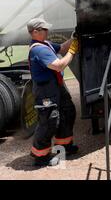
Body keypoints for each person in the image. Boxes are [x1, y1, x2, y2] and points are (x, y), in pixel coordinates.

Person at [27, 18, 79, 166]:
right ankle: (41, 156)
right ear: (35, 32)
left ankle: (63, 147)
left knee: (67, 111)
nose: (47, 31)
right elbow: (59, 65)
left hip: (56, 86)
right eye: (44, 30)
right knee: (49, 121)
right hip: (45, 90)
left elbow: (62, 48)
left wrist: (74, 37)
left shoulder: (46, 44)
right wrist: (73, 51)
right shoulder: (38, 49)